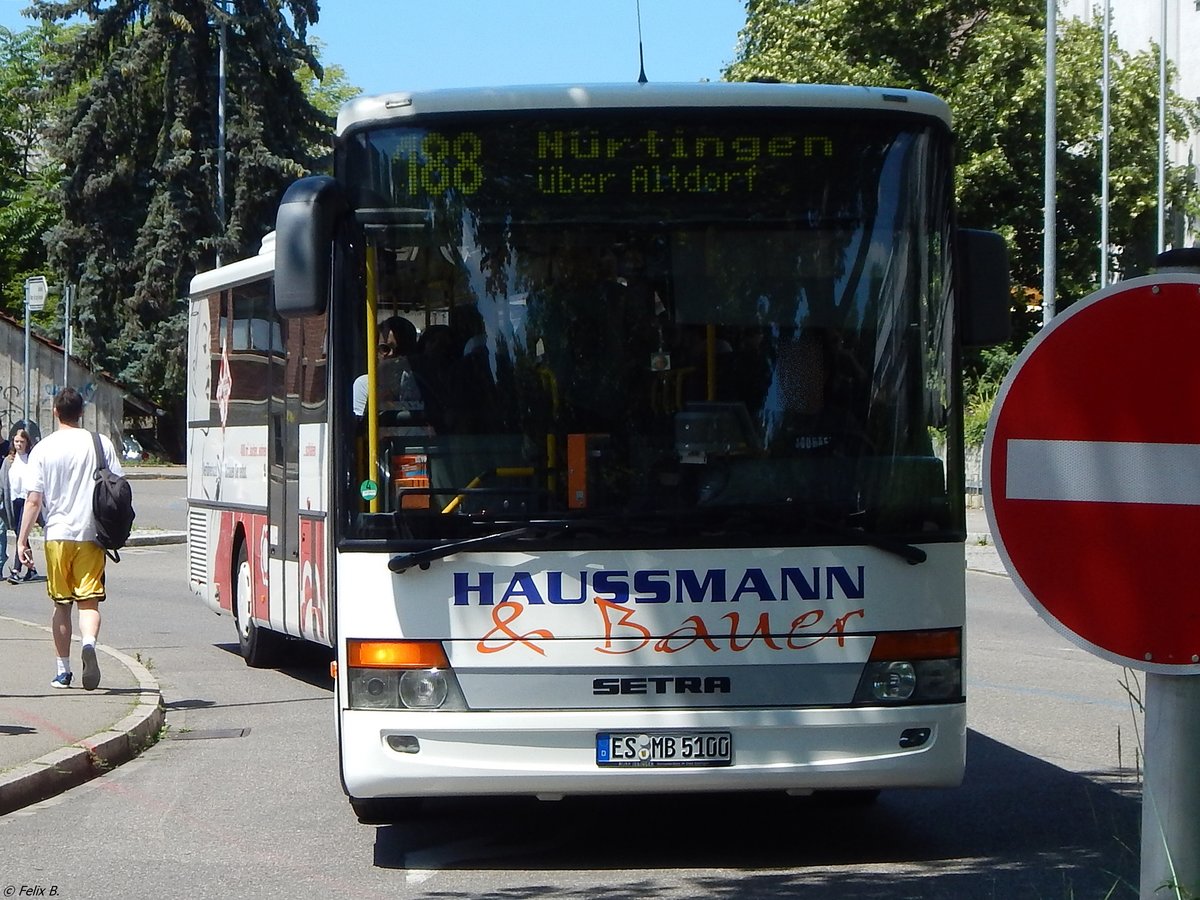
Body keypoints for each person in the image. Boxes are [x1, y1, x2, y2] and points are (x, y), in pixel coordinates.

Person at [15, 387, 125, 691]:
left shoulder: (43, 449)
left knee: (61, 605)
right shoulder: (100, 443)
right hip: (92, 534)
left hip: (57, 535)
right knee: (89, 603)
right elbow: (119, 486)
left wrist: (22, 540)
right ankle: (88, 643)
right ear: (81, 412)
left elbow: (34, 500)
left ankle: (63, 671)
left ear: (55, 412)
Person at [5, 427, 37, 582]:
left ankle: (16, 570)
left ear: (27, 443)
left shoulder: (31, 459)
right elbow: (4, 483)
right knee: (20, 534)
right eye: (16, 441)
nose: (18, 444)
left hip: (28, 499)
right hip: (14, 499)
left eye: (22, 442)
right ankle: (32, 569)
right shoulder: (10, 460)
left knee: (20, 532)